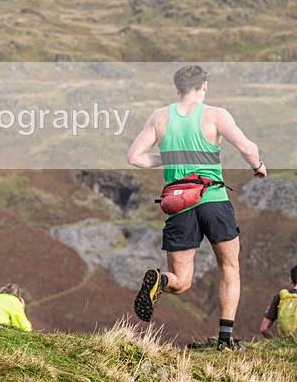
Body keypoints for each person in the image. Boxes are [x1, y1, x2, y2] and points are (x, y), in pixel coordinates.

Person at [126, 64, 267, 351]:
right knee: (229, 268)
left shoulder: (159, 117)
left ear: (176, 89)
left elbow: (135, 157)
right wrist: (258, 166)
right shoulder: (216, 114)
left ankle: (160, 280)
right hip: (213, 200)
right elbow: (248, 149)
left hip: (178, 204)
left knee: (181, 281)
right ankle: (225, 341)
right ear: (204, 86)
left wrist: (169, 159)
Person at [260, 265, 297, 339]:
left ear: (290, 280)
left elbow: (264, 328)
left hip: (286, 343)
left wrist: (277, 344)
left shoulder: (281, 296)